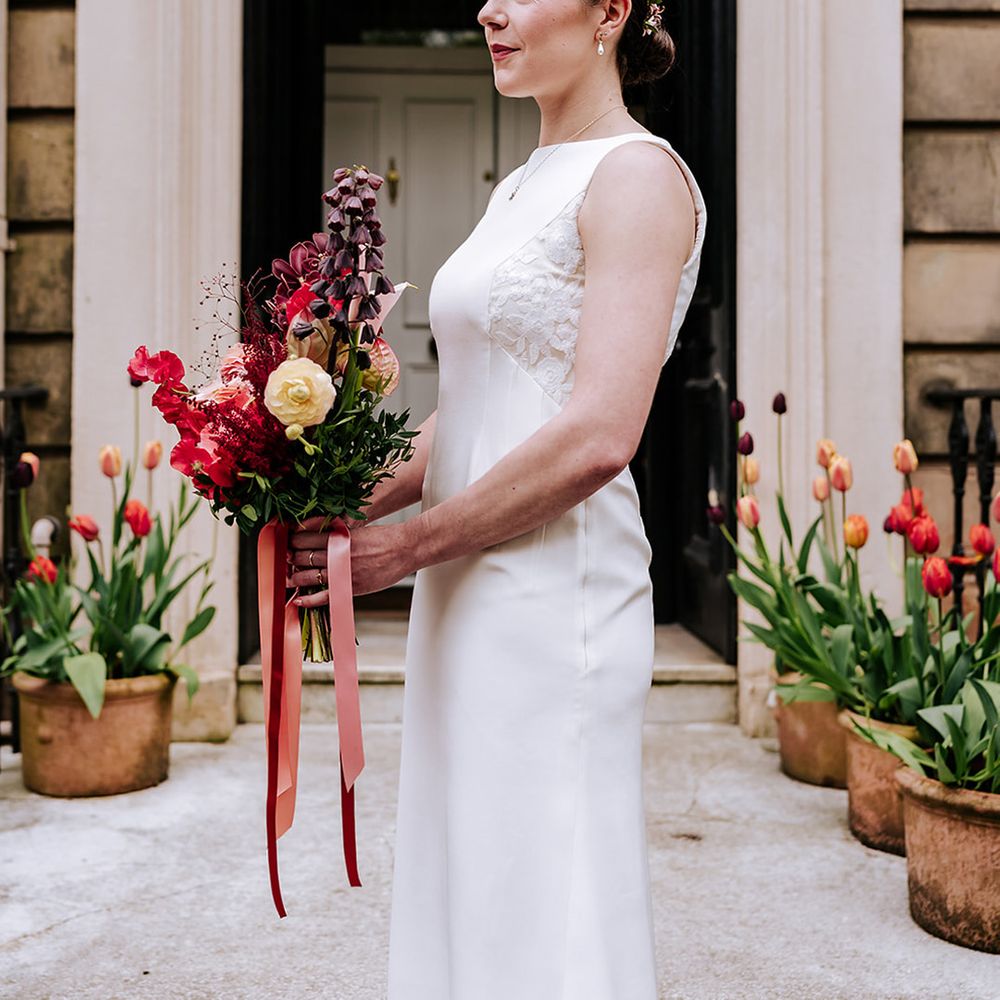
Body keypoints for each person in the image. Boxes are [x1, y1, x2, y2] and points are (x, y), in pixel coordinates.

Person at [288, 0, 707, 995]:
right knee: (467, 865)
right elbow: (473, 412)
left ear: (610, 11)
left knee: (546, 882)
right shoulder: (517, 185)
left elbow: (601, 431)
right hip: (464, 593)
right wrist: (341, 502)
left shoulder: (638, 176)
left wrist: (404, 549)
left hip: (553, 593)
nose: (488, 7)